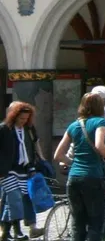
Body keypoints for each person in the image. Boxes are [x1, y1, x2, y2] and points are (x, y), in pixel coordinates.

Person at [52, 92, 105, 241]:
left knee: (78, 223)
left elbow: (58, 155)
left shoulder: (73, 126)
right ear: (100, 107)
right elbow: (99, 145)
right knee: (95, 223)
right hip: (93, 178)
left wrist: (73, 163)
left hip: (73, 178)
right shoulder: (100, 122)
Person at [0, 102, 44, 241]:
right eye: (21, 119)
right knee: (15, 198)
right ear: (14, 116)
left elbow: (33, 145)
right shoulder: (4, 129)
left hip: (24, 169)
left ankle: (6, 232)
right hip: (7, 170)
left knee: (12, 201)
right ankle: (17, 230)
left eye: (26, 119)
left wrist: (37, 162)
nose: (23, 121)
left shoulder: (28, 129)